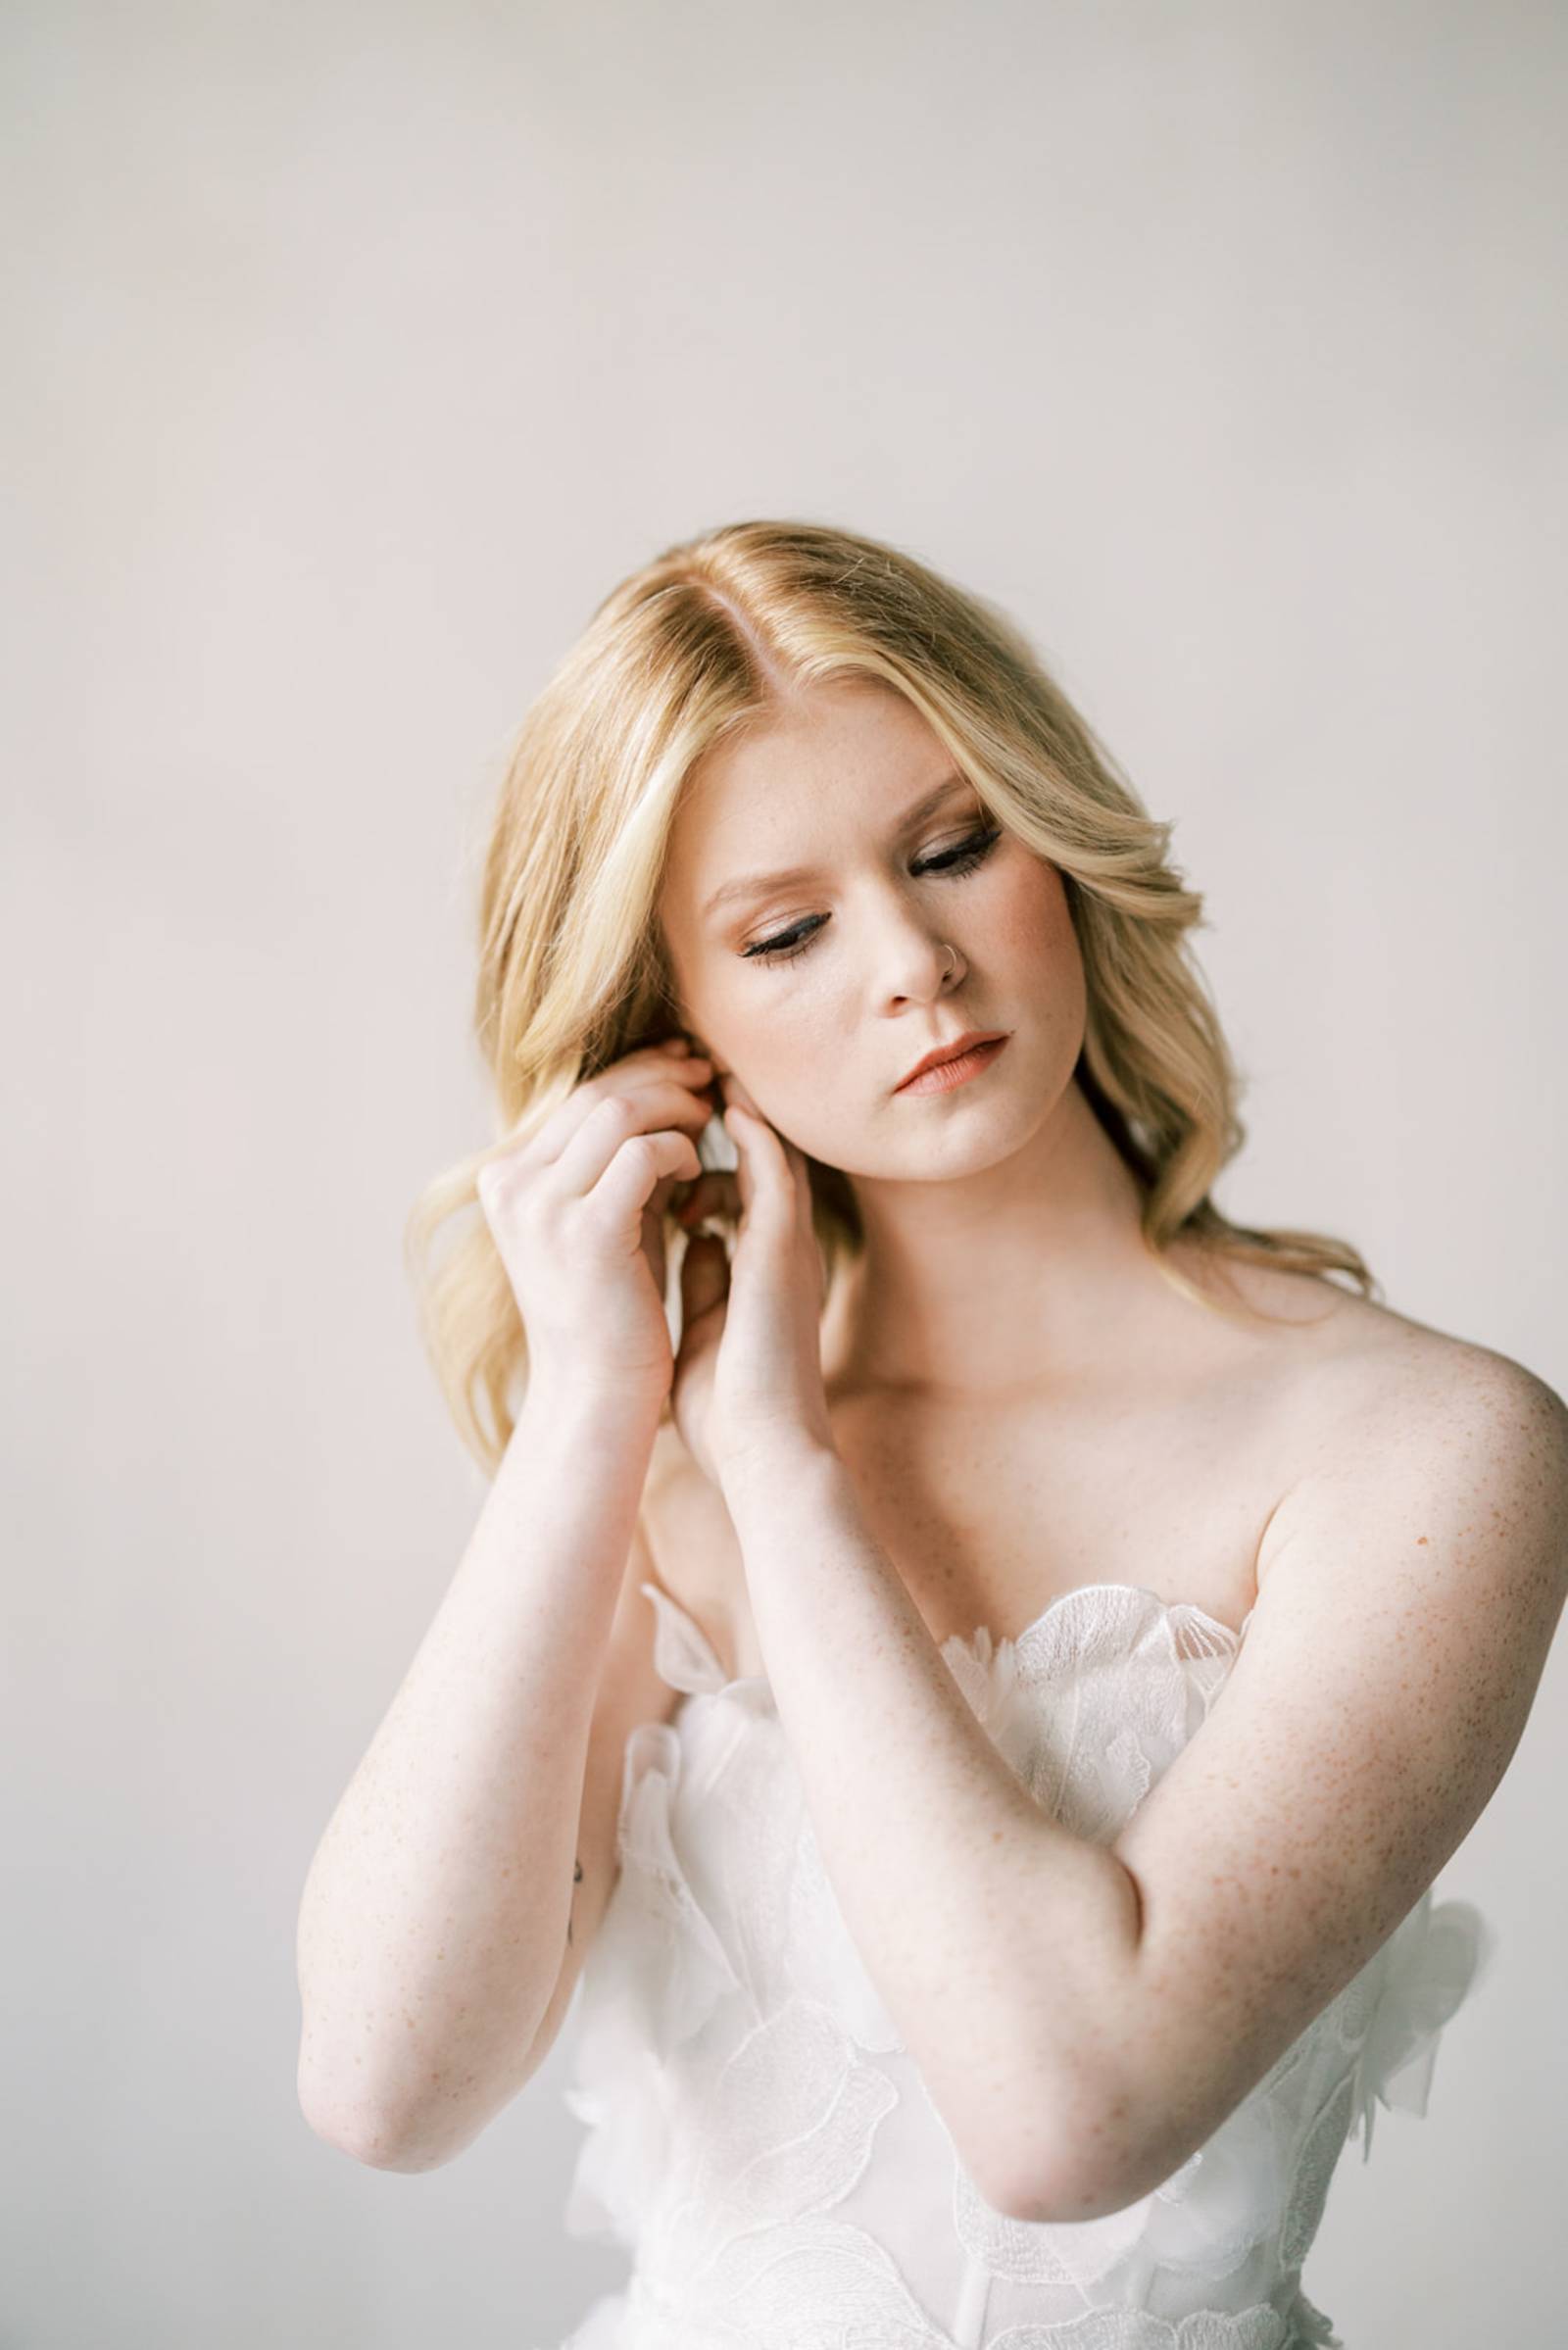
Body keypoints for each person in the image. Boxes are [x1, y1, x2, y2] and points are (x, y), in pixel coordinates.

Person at [296, 519, 1567, 2349]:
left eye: (955, 847)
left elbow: (1068, 2115)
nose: (912, 961)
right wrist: (588, 1413)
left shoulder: (1427, 1452)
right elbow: (383, 2086)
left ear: (1055, 837)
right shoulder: (642, 1480)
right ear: (669, 1027)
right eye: (787, 932)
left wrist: (788, 1474)